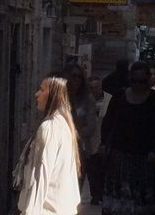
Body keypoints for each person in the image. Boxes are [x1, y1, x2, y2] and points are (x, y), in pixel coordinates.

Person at [100, 60, 155, 215]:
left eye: (142, 81)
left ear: (147, 81)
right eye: (134, 81)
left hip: (144, 158)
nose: (138, 85)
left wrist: (153, 149)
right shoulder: (119, 97)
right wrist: (103, 143)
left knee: (145, 200)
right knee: (121, 199)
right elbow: (108, 122)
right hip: (120, 156)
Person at [14, 74, 81, 215]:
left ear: (54, 95)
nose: (36, 94)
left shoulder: (50, 127)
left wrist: (31, 212)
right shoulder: (64, 124)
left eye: (41, 90)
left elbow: (40, 175)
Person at [64, 64, 97, 175]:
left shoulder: (88, 99)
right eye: (74, 76)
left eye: (79, 77)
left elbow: (91, 127)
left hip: (79, 148)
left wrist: (73, 131)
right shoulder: (61, 97)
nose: (77, 80)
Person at [85, 76, 111, 205]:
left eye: (97, 87)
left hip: (104, 141)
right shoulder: (85, 101)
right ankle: (95, 195)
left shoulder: (109, 100)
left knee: (104, 170)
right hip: (89, 142)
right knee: (92, 170)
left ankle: (103, 194)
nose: (94, 90)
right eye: (92, 87)